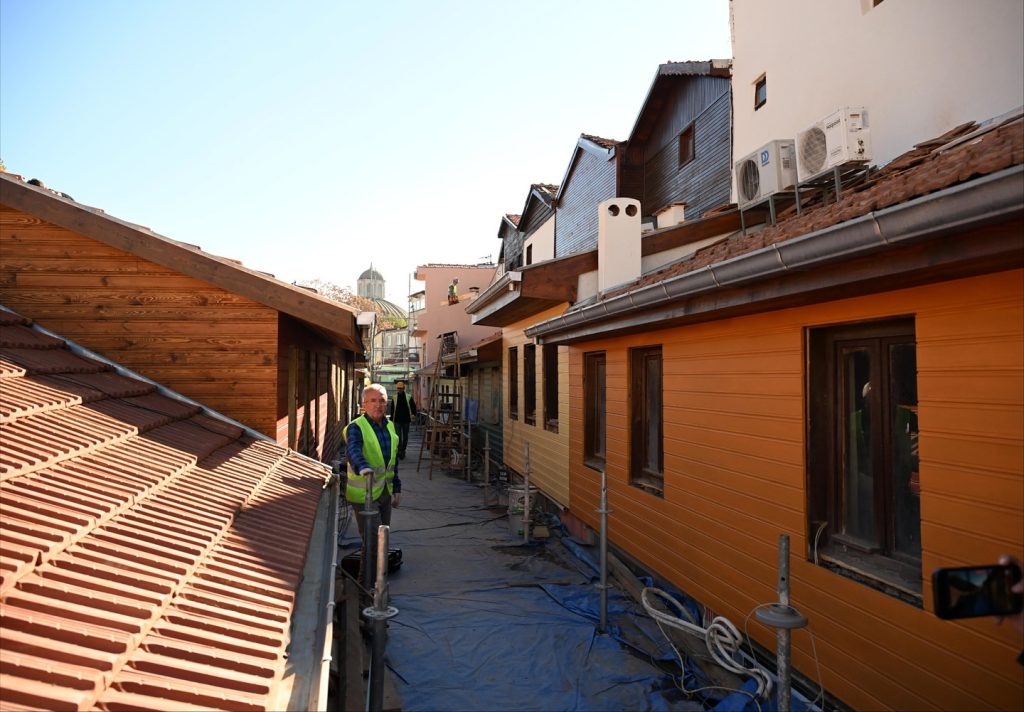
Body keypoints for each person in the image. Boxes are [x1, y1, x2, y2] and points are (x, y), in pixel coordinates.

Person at [345, 383, 401, 539]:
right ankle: (370, 556)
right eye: (373, 400)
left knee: (384, 536)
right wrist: (363, 466)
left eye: (382, 400)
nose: (378, 405)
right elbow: (353, 450)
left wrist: (396, 488)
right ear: (364, 404)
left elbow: (393, 461)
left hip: (385, 492)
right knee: (373, 540)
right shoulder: (356, 427)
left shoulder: (390, 426)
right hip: (364, 494)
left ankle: (377, 556)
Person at [388, 379, 417, 460]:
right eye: (398, 388)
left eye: (401, 388)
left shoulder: (408, 397)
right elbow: (392, 409)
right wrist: (391, 418)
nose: (399, 390)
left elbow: (413, 406)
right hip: (397, 420)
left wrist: (414, 414)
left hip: (406, 420)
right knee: (398, 436)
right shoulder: (394, 397)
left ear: (404, 388)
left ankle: (403, 450)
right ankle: (400, 451)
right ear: (397, 388)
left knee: (405, 436)